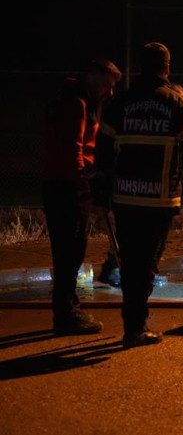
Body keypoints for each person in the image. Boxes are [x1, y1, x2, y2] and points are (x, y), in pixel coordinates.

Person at [94, 42, 183, 348]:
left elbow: (103, 153)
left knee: (132, 261)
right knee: (147, 262)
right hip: (159, 201)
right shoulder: (178, 105)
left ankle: (134, 321)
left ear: (138, 68)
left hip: (126, 199)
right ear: (166, 68)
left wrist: (101, 193)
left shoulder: (120, 104)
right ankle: (135, 326)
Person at [43, 58, 122, 335]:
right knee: (71, 251)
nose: (109, 92)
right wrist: (83, 189)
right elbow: (73, 150)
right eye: (106, 85)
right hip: (66, 188)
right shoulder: (77, 104)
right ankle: (67, 315)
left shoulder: (68, 98)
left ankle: (65, 310)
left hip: (58, 184)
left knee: (67, 252)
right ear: (91, 78)